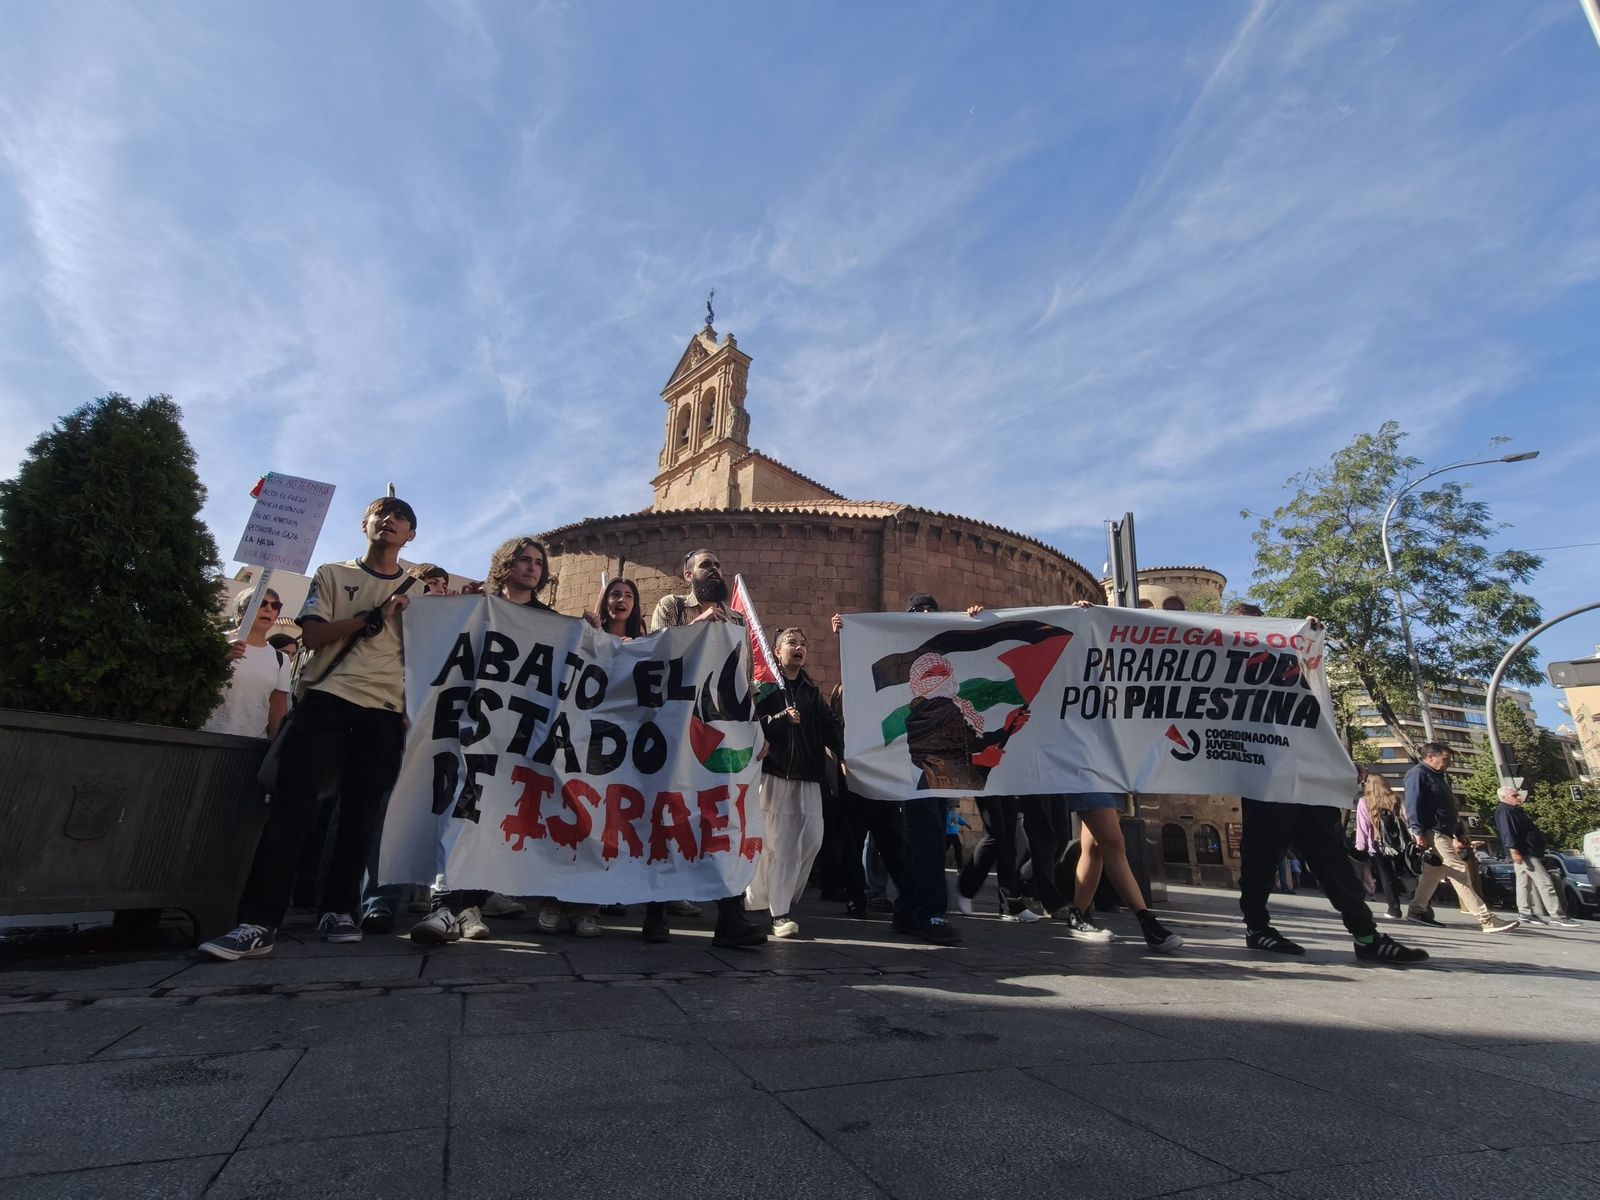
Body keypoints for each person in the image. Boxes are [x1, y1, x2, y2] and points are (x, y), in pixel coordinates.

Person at [201, 497, 419, 960]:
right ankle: (258, 922)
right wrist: (373, 617)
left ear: (411, 536)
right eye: (382, 514)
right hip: (327, 699)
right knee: (292, 810)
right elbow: (315, 636)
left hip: (384, 708)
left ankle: (340, 908)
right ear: (365, 525)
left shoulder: (419, 591)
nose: (390, 521)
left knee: (359, 816)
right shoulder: (334, 575)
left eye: (400, 517)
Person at [412, 537, 567, 945]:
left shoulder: (550, 622)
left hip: (519, 741)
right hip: (471, 732)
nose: (532, 568)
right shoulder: (477, 609)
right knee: (462, 815)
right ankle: (445, 906)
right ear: (507, 565)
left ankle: (464, 907)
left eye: (538, 562)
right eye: (524, 560)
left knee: (497, 824)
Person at [642, 548, 766, 948]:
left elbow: (743, 682)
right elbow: (656, 653)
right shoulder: (672, 606)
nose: (716, 569)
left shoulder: (737, 621)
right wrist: (697, 626)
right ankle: (655, 913)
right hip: (676, 730)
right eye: (707, 565)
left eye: (718, 563)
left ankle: (730, 917)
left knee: (723, 817)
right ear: (687, 574)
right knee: (668, 812)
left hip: (722, 731)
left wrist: (755, 732)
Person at [745, 627, 838, 938]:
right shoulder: (766, 689)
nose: (799, 648)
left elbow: (829, 730)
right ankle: (779, 912)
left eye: (803, 643)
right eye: (792, 642)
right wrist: (781, 720)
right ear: (777, 652)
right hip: (776, 774)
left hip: (808, 777)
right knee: (781, 846)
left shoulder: (812, 691)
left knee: (811, 840)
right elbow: (751, 729)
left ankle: (760, 893)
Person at [1404, 742, 1518, 934]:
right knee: (1458, 870)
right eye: (1445, 759)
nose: (1448, 763)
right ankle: (1486, 919)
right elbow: (1413, 805)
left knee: (1433, 874)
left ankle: (1416, 911)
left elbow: (1447, 806)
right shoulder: (1418, 774)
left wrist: (1458, 831)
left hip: (1443, 831)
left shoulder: (1438, 777)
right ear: (1430, 757)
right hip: (1433, 830)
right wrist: (1417, 832)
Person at [1057, 794, 1185, 953]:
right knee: (1113, 843)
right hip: (1090, 777)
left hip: (1113, 780)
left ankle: (1078, 915)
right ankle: (1147, 921)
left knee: (1095, 846)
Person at [202, 588, 291, 739]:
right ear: (242, 610)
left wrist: (274, 748)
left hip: (251, 744)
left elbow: (277, 708)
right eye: (262, 603)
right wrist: (220, 658)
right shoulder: (215, 642)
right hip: (204, 736)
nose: (269, 609)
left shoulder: (281, 659)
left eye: (275, 606)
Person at [1496, 784, 1580, 928]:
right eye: (1514, 795)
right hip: (1525, 852)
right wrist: (1513, 850)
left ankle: (1525, 912)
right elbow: (1507, 832)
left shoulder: (1513, 810)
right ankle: (1557, 915)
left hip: (1525, 851)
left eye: (1518, 794)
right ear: (1504, 798)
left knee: (1523, 883)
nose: (1518, 797)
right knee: (1545, 882)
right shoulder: (1506, 811)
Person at [1355, 770, 1409, 920]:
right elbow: (1406, 819)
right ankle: (1420, 906)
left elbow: (1362, 826)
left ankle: (1394, 909)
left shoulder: (1365, 802)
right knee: (1405, 874)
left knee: (1386, 876)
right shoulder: (1397, 799)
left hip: (1378, 844)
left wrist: (1361, 844)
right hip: (1400, 844)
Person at [944, 803, 971, 872]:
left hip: (954, 835)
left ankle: (960, 867)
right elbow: (951, 823)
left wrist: (967, 825)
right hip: (948, 835)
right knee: (944, 850)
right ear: (949, 807)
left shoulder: (956, 815)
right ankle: (939, 864)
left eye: (955, 807)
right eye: (953, 807)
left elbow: (961, 821)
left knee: (958, 849)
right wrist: (952, 821)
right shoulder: (947, 814)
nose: (954, 809)